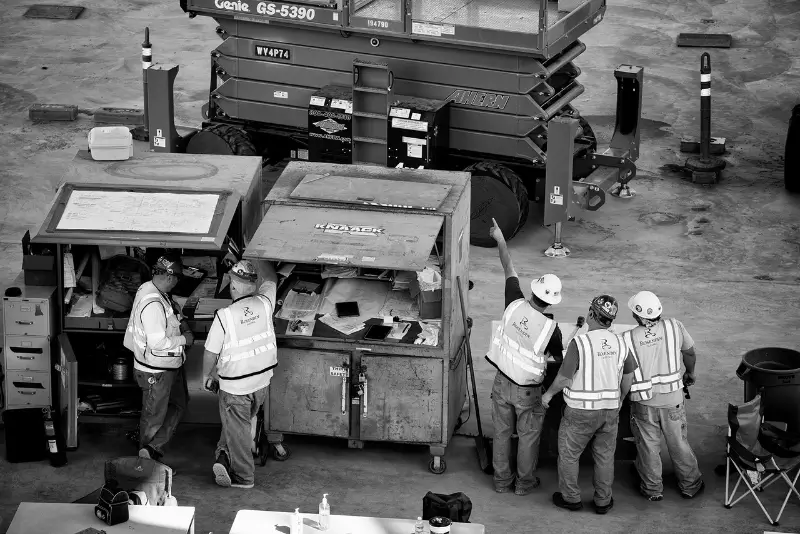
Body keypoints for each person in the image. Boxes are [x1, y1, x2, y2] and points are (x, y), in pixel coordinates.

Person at [542, 295, 652, 515]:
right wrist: (620, 398)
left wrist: (548, 395)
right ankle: (603, 501)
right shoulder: (621, 342)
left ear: (592, 314)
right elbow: (628, 375)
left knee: (570, 455)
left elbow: (563, 378)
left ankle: (571, 498)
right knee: (604, 457)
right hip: (609, 411)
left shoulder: (580, 343)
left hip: (580, 411)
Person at [486, 218, 565, 496]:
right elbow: (559, 358)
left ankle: (501, 482)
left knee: (502, 433)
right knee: (528, 437)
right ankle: (523, 484)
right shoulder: (551, 329)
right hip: (528, 391)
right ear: (552, 301)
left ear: (532, 290)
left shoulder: (514, 301)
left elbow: (508, 267)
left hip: (501, 382)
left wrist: (500, 239)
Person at [204, 259, 278, 489]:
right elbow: (271, 279)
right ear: (254, 284)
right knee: (237, 425)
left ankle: (243, 476)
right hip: (261, 383)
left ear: (233, 285)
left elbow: (210, 352)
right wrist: (260, 255)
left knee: (238, 431)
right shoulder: (265, 302)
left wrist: (206, 375)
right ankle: (223, 457)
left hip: (235, 388)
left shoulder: (224, 316)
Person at [624, 290, 704, 501]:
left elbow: (625, 373)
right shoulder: (674, 326)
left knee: (648, 446)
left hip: (643, 403)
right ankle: (690, 485)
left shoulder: (627, 338)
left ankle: (652, 489)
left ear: (636, 315)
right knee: (679, 443)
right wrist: (690, 372)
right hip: (673, 401)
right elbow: (689, 352)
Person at [124, 254, 194, 462]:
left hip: (168, 366)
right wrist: (184, 339)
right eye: (177, 278)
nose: (177, 283)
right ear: (170, 277)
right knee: (153, 418)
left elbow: (170, 314)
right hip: (155, 370)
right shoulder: (153, 304)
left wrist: (177, 316)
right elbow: (157, 342)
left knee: (179, 403)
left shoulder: (151, 288)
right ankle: (146, 463)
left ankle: (153, 448)